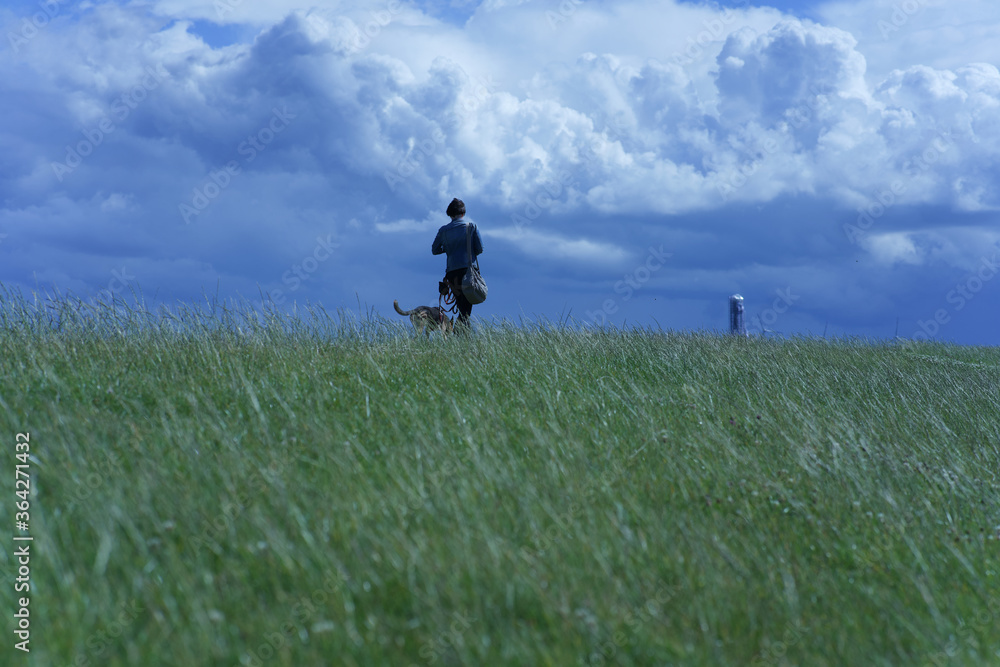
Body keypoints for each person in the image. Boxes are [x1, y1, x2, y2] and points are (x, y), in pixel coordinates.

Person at [432, 198, 483, 330]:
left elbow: (435, 250)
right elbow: (480, 249)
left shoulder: (443, 230)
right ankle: (458, 338)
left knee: (463, 307)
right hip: (468, 273)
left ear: (449, 214)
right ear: (463, 213)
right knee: (465, 310)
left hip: (451, 274)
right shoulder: (471, 227)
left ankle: (459, 338)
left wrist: (448, 249)